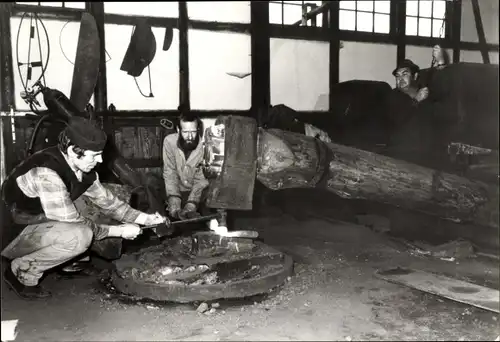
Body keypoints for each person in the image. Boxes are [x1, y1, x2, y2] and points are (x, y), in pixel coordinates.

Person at [0, 117, 168, 300]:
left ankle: (70, 261)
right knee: (81, 235)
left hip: (39, 220)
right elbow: (77, 223)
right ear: (73, 150)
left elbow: (110, 204)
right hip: (12, 233)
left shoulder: (84, 170)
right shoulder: (47, 172)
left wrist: (146, 219)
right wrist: (119, 231)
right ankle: (20, 271)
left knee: (93, 203)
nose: (101, 160)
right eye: (94, 155)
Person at [162, 113, 209, 220]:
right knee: (150, 181)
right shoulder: (169, 141)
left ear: (198, 129)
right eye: (185, 132)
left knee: (212, 189)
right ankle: (163, 221)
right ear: (178, 130)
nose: (190, 136)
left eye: (193, 132)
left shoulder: (205, 147)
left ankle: (203, 221)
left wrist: (191, 204)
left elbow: (201, 180)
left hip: (195, 191)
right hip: (175, 188)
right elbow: (170, 172)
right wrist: (174, 200)